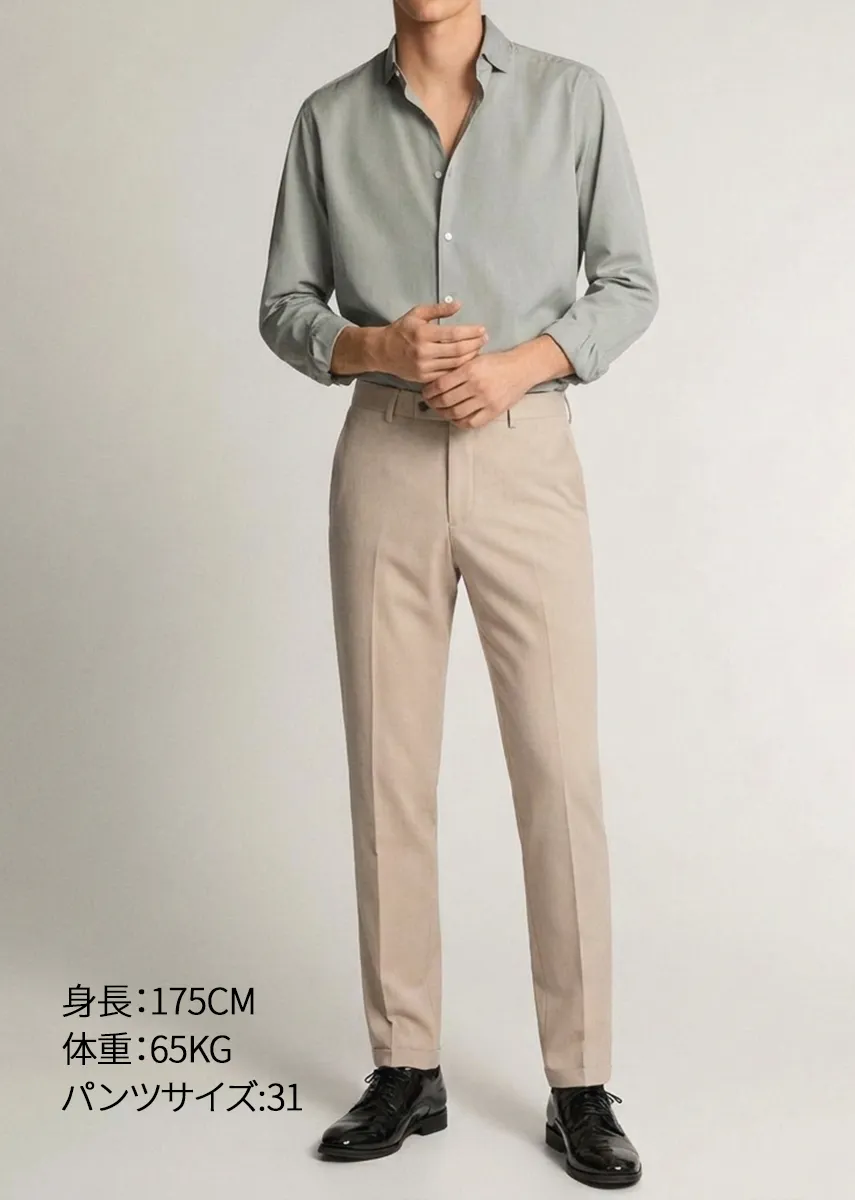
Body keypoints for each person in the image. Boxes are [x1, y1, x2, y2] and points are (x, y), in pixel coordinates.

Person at [258, 0, 658, 1187]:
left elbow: (628, 283)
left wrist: (521, 366)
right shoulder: (329, 119)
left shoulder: (572, 99)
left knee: (558, 769)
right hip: (383, 453)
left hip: (525, 453)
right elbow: (285, 304)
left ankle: (580, 1081)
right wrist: (375, 348)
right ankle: (406, 1063)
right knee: (389, 767)